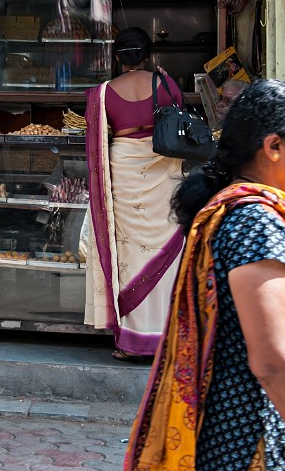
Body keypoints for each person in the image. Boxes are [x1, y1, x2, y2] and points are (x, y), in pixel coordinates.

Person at [126, 80, 285, 471]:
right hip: (263, 446)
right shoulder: (257, 225)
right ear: (274, 146)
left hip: (277, 439)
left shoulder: (260, 216)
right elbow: (274, 364)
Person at [84, 26, 186, 362]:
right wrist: (165, 83)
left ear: (117, 57)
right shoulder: (167, 85)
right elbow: (179, 123)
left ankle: (132, 341)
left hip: (125, 172)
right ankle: (166, 339)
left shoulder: (102, 93)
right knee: (166, 251)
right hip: (164, 170)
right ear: (148, 55)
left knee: (128, 255)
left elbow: (96, 135)